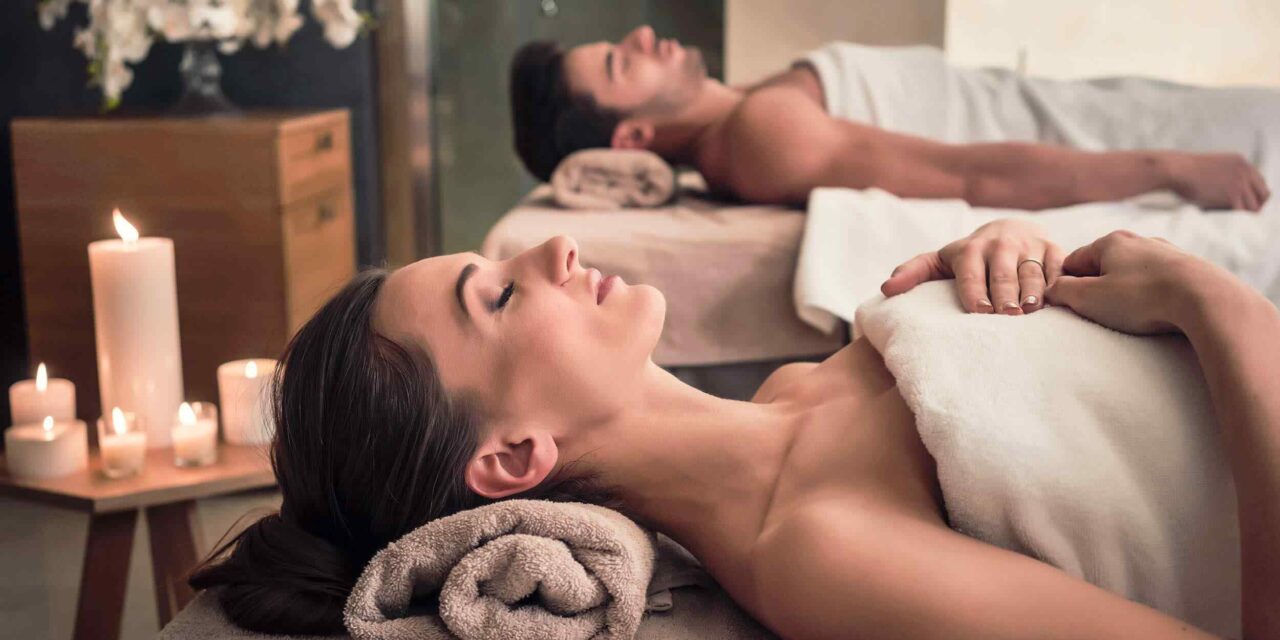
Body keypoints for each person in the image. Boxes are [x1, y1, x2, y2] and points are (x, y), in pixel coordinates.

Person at [188, 218, 1278, 638]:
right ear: (514, 458)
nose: (556, 249)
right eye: (503, 296)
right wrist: (1212, 303)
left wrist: (1013, 261)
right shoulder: (814, 546)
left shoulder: (797, 391)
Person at [510, 26, 1274, 211]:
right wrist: (1169, 167)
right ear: (634, 137)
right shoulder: (762, 138)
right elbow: (969, 175)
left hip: (1099, 109)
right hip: (1126, 144)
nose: (644, 36)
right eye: (622, 63)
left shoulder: (746, 105)